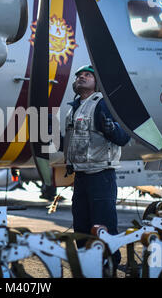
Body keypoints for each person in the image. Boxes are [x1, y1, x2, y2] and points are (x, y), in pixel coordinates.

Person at [64, 65, 130, 273]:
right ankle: (87, 267)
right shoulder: (74, 108)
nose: (81, 77)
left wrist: (110, 127)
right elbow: (73, 143)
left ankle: (109, 267)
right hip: (81, 176)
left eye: (88, 75)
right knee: (81, 227)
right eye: (79, 75)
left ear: (97, 82)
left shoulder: (103, 104)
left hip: (101, 176)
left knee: (104, 227)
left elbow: (123, 137)